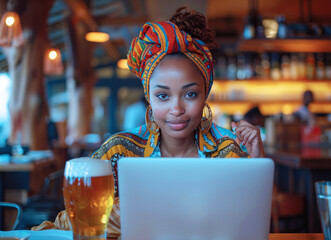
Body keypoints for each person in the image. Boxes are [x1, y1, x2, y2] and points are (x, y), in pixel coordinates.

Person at [32, 7, 265, 234]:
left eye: (190, 94)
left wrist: (257, 163)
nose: (176, 109)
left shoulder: (229, 152)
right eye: (163, 96)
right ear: (149, 98)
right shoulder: (118, 151)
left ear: (206, 94)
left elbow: (250, 226)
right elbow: (69, 223)